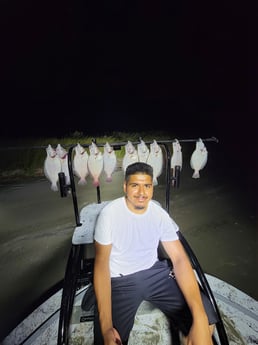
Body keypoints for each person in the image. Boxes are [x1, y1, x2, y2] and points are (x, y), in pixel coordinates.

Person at [93, 162, 218, 345]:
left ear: (152, 188)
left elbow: (180, 259)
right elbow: (101, 265)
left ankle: (188, 336)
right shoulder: (109, 215)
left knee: (206, 322)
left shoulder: (159, 214)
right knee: (110, 340)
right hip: (119, 281)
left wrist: (199, 317)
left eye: (147, 186)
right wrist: (106, 327)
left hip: (155, 273)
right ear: (125, 187)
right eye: (135, 185)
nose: (142, 193)